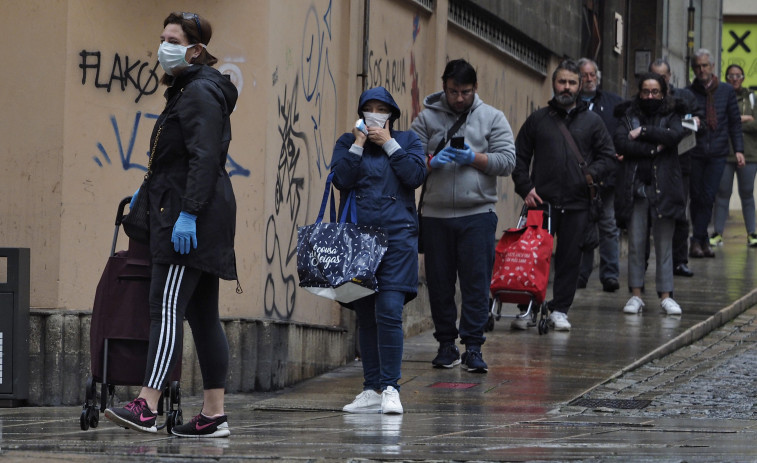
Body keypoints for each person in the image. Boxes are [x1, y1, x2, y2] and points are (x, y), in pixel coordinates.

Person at [105, 12, 238, 438]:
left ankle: (146, 405)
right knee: (202, 316)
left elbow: (204, 158)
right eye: (161, 37)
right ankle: (213, 415)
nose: (163, 45)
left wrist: (188, 214)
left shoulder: (198, 92)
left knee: (165, 309)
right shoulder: (190, 90)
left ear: (195, 50)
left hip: (191, 219)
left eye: (173, 39)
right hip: (195, 214)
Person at [410, 59, 515, 370]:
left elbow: (508, 161)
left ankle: (473, 347)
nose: (459, 98)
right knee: (440, 284)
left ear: (475, 88)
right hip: (435, 215)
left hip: (477, 213)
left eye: (465, 92)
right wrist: (432, 161)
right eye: (453, 91)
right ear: (444, 87)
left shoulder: (492, 118)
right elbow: (409, 164)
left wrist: (475, 158)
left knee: (475, 283)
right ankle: (446, 345)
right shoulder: (426, 118)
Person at [333, 86, 426, 414]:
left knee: (388, 311)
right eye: (368, 108)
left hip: (398, 239)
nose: (375, 114)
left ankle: (391, 387)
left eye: (381, 109)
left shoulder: (409, 141)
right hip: (358, 242)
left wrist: (387, 142)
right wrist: (359, 145)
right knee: (366, 316)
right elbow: (341, 179)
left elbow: (414, 175)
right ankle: (371, 388)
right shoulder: (347, 142)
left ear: (391, 114)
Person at [512, 59, 616, 331]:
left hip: (578, 203)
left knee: (570, 258)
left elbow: (608, 157)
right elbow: (519, 157)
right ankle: (527, 310)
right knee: (534, 258)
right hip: (541, 202)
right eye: (562, 82)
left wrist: (589, 176)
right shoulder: (538, 119)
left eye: (572, 82)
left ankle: (560, 309)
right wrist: (525, 187)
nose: (566, 87)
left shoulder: (593, 122)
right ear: (553, 84)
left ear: (580, 85)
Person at [614, 72, 685, 315]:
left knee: (664, 245)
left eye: (655, 92)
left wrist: (643, 132)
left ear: (663, 93)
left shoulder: (671, 114)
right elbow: (622, 143)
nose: (650, 96)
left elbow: (674, 136)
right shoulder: (628, 115)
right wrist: (655, 149)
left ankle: (666, 295)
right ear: (639, 93)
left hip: (664, 189)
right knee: (635, 243)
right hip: (635, 189)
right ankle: (635, 294)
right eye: (646, 91)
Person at [685, 49, 745, 258]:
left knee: (709, 196)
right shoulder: (688, 92)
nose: (701, 70)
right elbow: (683, 122)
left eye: (705, 65)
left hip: (718, 153)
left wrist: (739, 150)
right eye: (698, 66)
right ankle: (702, 240)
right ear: (693, 69)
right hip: (695, 152)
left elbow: (734, 123)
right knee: (696, 196)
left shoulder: (727, 91)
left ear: (712, 67)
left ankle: (696, 240)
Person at [576, 58, 623, 292]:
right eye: (584, 75)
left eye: (592, 74)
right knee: (582, 226)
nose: (589, 78)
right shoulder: (571, 105)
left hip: (607, 176)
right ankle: (580, 275)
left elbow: (623, 132)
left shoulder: (613, 103)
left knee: (608, 225)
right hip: (579, 177)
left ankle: (610, 274)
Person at [649, 58, 699, 277]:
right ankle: (646, 263)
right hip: (650, 161)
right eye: (655, 74)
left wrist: (692, 124)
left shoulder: (685, 98)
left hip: (680, 162)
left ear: (670, 76)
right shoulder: (645, 98)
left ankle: (679, 260)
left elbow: (699, 122)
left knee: (679, 212)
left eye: (663, 75)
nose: (660, 79)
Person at [710, 64, 757, 248]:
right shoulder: (720, 96)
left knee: (747, 194)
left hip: (750, 153)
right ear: (726, 78)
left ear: (743, 78)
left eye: (738, 75)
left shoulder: (752, 99)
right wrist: (743, 118)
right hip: (725, 152)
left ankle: (752, 234)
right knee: (722, 194)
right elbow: (718, 122)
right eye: (731, 75)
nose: (735, 79)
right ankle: (718, 234)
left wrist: (734, 121)